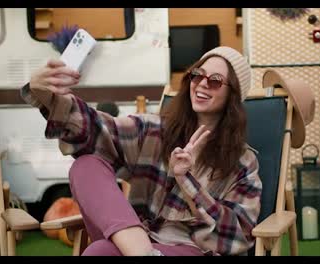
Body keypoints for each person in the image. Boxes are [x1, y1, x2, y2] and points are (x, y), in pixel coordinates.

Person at [20, 46, 261, 256]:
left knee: (99, 250)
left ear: (233, 95)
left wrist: (187, 181)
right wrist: (47, 96)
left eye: (215, 80)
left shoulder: (242, 161)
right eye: (198, 75)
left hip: (192, 249)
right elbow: (97, 129)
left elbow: (239, 235)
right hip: (138, 240)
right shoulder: (156, 130)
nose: (202, 84)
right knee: (86, 165)